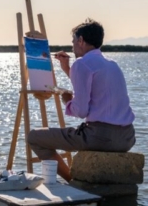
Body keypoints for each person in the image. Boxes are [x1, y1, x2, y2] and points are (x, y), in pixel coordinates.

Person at [27, 18, 136, 181]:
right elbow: (92, 84)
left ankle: (72, 181)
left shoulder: (81, 64)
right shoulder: (112, 65)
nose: (72, 46)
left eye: (73, 41)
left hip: (100, 137)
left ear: (81, 40)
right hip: (127, 137)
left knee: (35, 137)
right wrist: (67, 69)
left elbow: (81, 111)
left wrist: (67, 99)